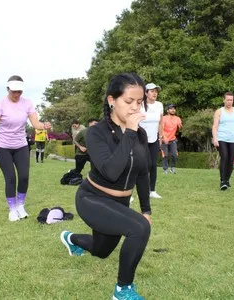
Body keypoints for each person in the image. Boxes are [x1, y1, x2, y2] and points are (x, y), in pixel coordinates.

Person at [60, 73, 152, 300]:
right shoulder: (96, 133)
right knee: (139, 228)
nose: (134, 107)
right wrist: (129, 133)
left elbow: (142, 172)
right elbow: (111, 171)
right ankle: (123, 291)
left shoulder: (140, 134)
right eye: (128, 101)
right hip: (92, 198)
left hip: (119, 202)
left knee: (101, 251)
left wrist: (146, 210)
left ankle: (70, 239)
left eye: (139, 102)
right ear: (112, 100)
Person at [0, 75, 51, 221]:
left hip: (21, 145)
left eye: (19, 92)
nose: (16, 94)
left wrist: (43, 126)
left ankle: (20, 206)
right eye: (14, 91)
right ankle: (12, 209)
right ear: (8, 89)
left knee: (24, 176)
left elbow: (36, 124)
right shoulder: (0, 104)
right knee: (10, 178)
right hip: (2, 146)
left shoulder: (27, 103)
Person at [212, 92, 234, 190]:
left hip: (233, 139)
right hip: (222, 138)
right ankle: (223, 181)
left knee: (231, 160)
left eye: (231, 100)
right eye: (227, 100)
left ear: (233, 101)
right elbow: (215, 126)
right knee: (225, 157)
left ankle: (227, 179)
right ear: (224, 100)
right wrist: (215, 138)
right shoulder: (219, 112)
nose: (229, 102)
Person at [139, 82, 163, 199]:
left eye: (156, 91)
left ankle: (152, 190)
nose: (155, 93)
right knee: (140, 165)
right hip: (140, 139)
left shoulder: (159, 105)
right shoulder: (140, 105)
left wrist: (161, 137)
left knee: (153, 165)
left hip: (154, 139)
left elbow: (160, 122)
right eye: (152, 91)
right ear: (146, 93)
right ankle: (132, 191)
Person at [161, 104, 182, 174]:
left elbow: (180, 127)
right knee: (165, 155)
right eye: (171, 108)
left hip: (173, 139)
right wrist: (164, 137)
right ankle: (165, 170)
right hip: (164, 140)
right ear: (167, 110)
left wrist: (180, 125)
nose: (173, 110)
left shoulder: (177, 118)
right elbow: (161, 129)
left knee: (175, 155)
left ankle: (172, 168)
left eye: (174, 109)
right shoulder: (164, 118)